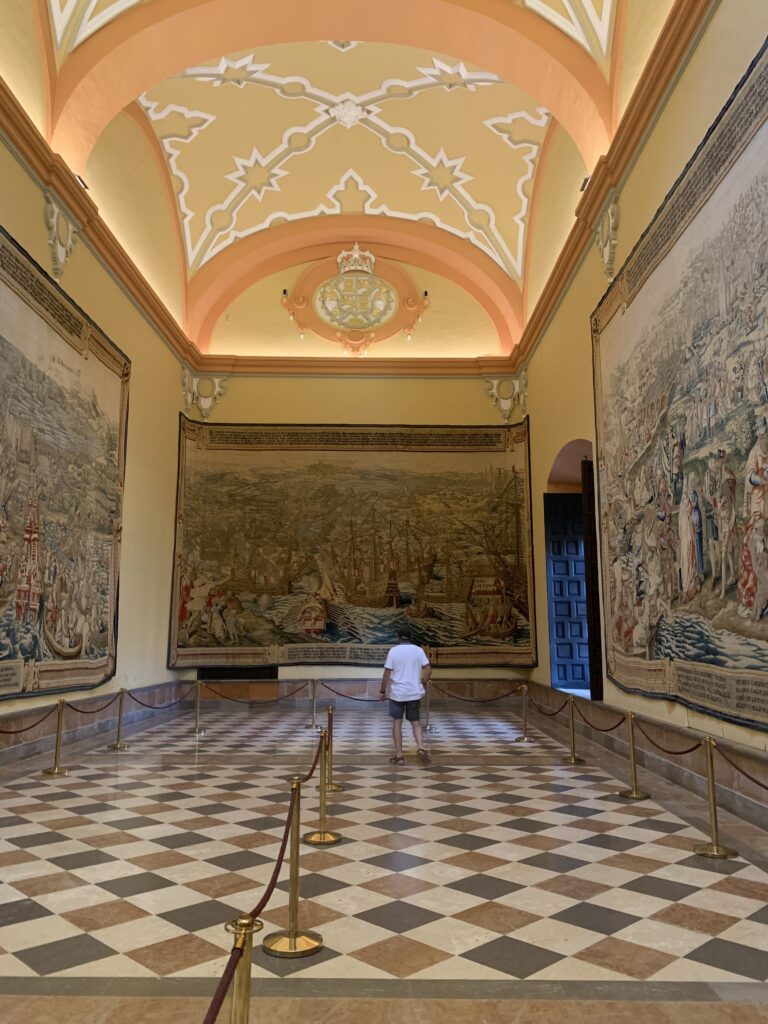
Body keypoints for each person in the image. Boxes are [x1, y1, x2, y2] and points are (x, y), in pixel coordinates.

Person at [380, 627, 431, 766]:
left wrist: (382, 690)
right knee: (416, 722)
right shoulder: (418, 650)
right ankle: (420, 747)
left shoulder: (394, 651)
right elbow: (428, 668)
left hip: (398, 693)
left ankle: (399, 755)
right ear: (410, 637)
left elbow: (387, 673)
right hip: (414, 692)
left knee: (397, 722)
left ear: (398, 637)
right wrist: (423, 682)